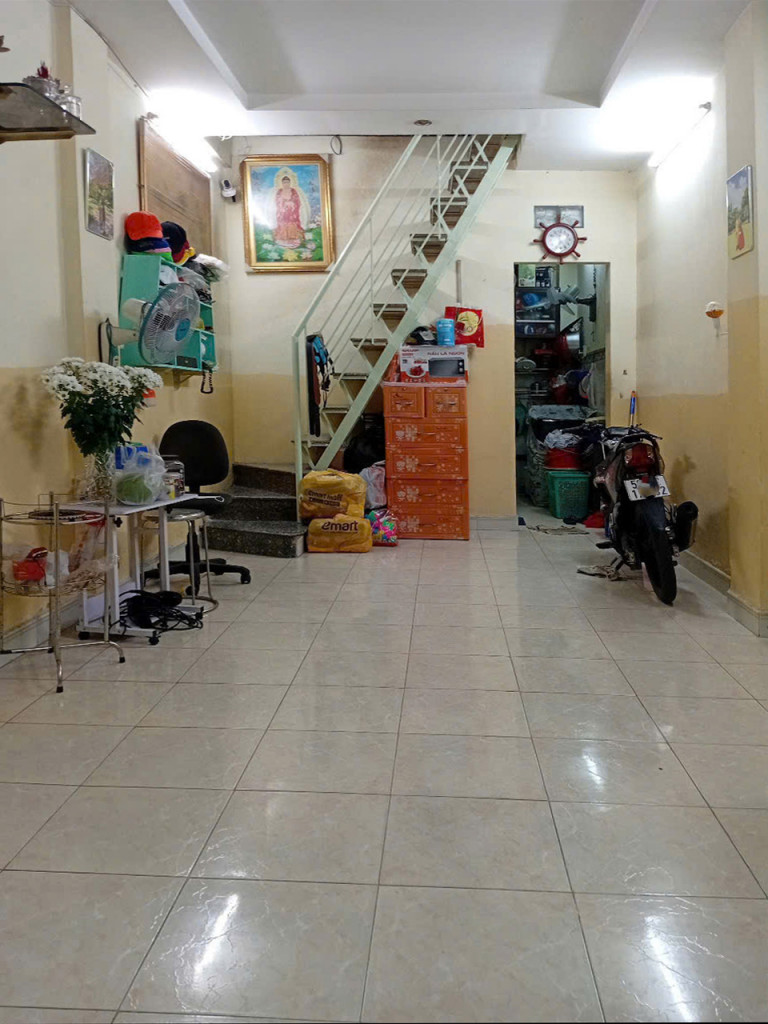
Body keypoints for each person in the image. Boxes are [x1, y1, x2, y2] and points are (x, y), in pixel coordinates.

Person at [272, 167, 311, 249]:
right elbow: (277, 202)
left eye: (287, 182)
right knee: (283, 224)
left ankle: (294, 240)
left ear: (290, 183)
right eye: (284, 182)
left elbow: (297, 201)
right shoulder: (279, 192)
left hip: (292, 213)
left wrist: (292, 204)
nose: (286, 184)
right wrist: (284, 204)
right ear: (281, 183)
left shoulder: (293, 191)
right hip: (282, 212)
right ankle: (282, 240)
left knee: (292, 224)